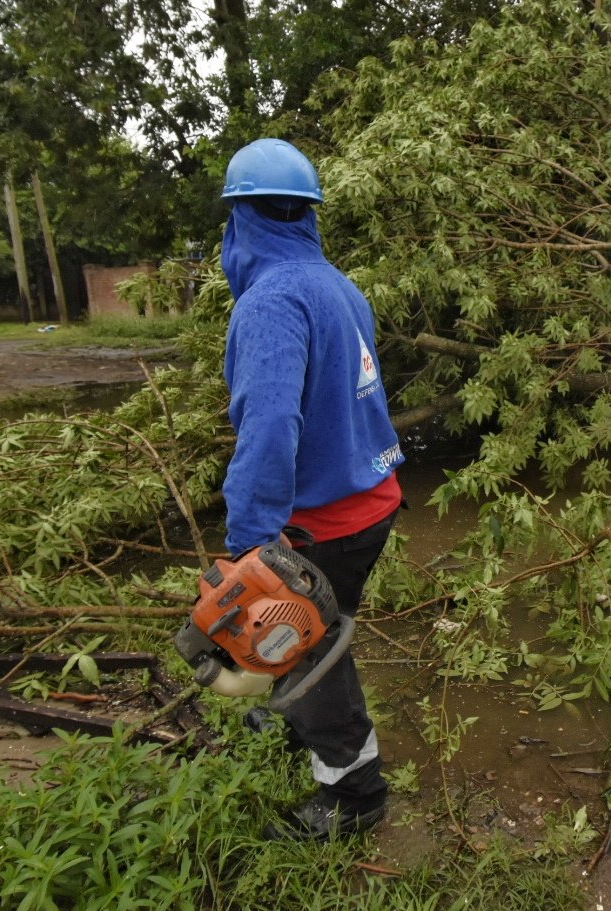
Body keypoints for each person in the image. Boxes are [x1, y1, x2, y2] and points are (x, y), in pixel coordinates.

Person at [217, 137, 405, 839]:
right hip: (374, 499)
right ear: (308, 216)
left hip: (323, 520)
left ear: (238, 222)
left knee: (306, 649)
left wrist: (249, 543)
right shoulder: (339, 286)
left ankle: (354, 792)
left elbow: (269, 427)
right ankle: (286, 716)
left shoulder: (269, 301)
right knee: (316, 635)